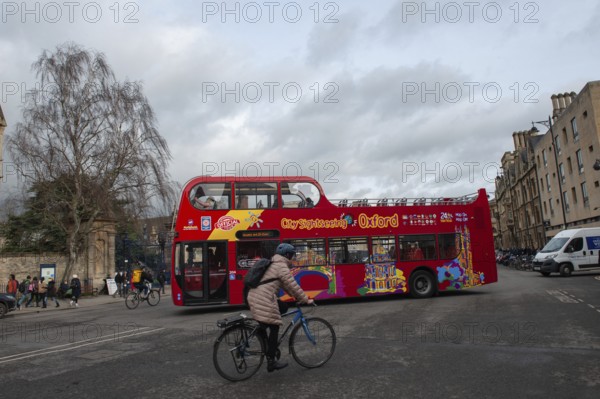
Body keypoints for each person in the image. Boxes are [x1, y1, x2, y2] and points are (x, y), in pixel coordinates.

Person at [246, 243, 314, 372]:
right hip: (262, 298)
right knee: (274, 325)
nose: (293, 258)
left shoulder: (273, 262)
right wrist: (305, 299)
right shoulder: (281, 266)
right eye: (292, 255)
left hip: (255, 295)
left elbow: (285, 285)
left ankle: (262, 332)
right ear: (287, 255)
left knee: (283, 307)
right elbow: (292, 284)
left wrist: (295, 297)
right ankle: (271, 361)